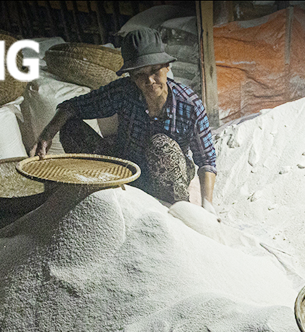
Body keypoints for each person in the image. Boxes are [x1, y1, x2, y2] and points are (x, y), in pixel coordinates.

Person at [31, 27, 217, 209]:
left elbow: (207, 161)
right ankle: (102, 194)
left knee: (160, 144)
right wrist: (47, 134)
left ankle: (170, 207)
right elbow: (73, 106)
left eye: (154, 71)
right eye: (140, 75)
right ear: (131, 77)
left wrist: (207, 206)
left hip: (166, 179)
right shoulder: (124, 91)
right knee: (70, 127)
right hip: (126, 169)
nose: (150, 81)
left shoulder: (190, 105)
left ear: (167, 67)